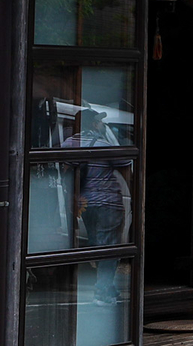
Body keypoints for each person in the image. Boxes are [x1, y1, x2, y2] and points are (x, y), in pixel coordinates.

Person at [64, 108, 129, 306]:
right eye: (100, 122)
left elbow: (65, 173)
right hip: (109, 203)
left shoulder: (68, 144)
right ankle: (102, 293)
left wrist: (71, 199)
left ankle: (109, 287)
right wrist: (135, 198)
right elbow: (126, 168)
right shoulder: (104, 144)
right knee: (110, 248)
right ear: (93, 124)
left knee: (98, 245)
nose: (102, 125)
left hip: (85, 205)